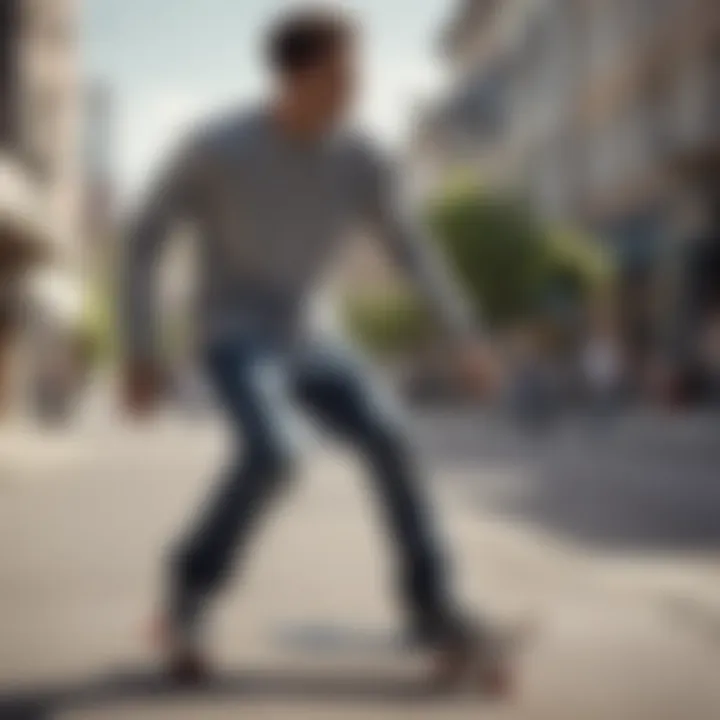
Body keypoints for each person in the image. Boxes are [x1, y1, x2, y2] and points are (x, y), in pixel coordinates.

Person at [121, 6, 502, 687]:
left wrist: (465, 334)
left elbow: (414, 248)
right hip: (234, 332)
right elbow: (143, 239)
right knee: (276, 451)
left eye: (358, 73)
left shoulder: (363, 156)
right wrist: (141, 350)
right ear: (293, 78)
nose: (356, 87)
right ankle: (189, 596)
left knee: (393, 436)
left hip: (315, 333)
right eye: (341, 74)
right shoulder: (215, 148)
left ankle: (434, 608)